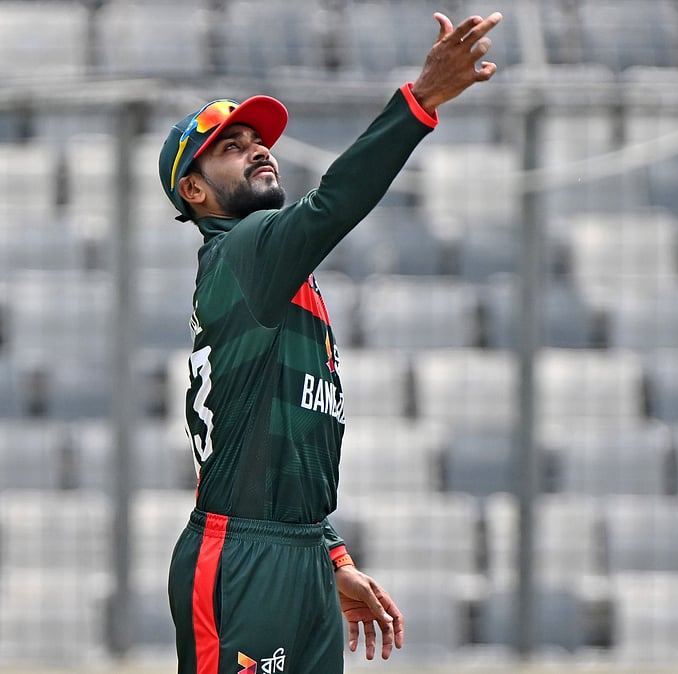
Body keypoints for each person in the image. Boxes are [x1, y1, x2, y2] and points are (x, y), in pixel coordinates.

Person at [158, 11, 501, 674]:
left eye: (259, 140)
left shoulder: (275, 277)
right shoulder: (244, 253)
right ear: (194, 191)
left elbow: (263, 444)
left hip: (297, 556)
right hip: (243, 565)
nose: (260, 149)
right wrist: (420, 101)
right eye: (231, 147)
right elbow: (332, 204)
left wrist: (329, 552)